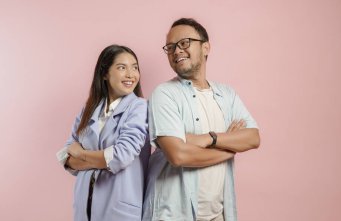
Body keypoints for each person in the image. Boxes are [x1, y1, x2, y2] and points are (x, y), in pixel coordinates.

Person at [142, 18, 260, 221]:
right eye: (170, 47)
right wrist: (230, 149)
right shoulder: (164, 94)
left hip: (218, 214)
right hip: (172, 214)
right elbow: (178, 155)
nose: (176, 51)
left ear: (206, 47)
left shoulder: (227, 94)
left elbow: (253, 137)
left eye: (184, 43)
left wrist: (209, 139)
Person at [56, 44, 150, 221]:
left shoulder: (139, 107)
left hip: (119, 211)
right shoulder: (89, 109)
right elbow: (65, 157)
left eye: (135, 67)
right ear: (105, 73)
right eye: (122, 67)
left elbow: (121, 156)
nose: (131, 74)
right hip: (85, 210)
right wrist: (102, 159)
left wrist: (82, 154)